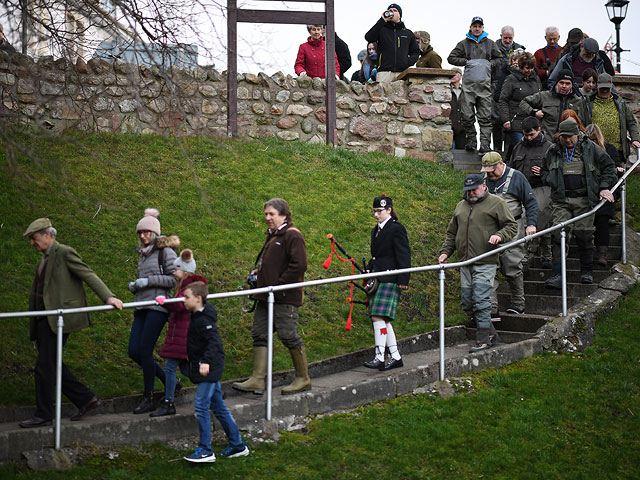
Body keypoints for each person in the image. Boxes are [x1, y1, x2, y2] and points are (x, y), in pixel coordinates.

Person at [20, 218, 123, 428]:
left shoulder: (64, 252)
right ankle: (86, 399)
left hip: (58, 319)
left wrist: (108, 297)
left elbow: (88, 274)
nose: (32, 243)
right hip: (43, 320)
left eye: (34, 238)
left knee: (43, 367)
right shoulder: (44, 258)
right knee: (53, 364)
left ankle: (44, 414)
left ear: (48, 235)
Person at [232, 198, 310, 396]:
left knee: (288, 335)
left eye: (271, 214)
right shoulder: (274, 235)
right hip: (266, 296)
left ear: (283, 215)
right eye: (266, 214)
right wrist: (258, 275)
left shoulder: (292, 235)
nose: (267, 218)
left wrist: (278, 286)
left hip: (283, 297)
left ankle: (303, 378)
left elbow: (299, 266)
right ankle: (257, 379)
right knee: (259, 333)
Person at [439, 174, 518, 352]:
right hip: (465, 262)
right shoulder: (460, 206)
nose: (471, 193)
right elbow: (452, 233)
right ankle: (490, 333)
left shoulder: (497, 203)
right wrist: (445, 252)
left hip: (486, 261)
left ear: (483, 186)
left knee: (481, 300)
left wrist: (499, 236)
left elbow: (511, 226)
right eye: (467, 191)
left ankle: (483, 339)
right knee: (468, 303)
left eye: (474, 189)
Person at [541, 119, 617, 288]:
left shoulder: (591, 148)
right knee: (559, 236)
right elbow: (544, 170)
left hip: (584, 199)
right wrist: (550, 179)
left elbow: (610, 167)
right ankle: (558, 275)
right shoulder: (553, 150)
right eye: (564, 137)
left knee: (584, 235)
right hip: (562, 200)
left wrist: (604, 187)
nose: (567, 140)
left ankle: (586, 271)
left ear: (577, 134)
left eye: (570, 137)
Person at [182, 282, 250, 463]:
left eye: (186, 297)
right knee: (219, 407)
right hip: (208, 369)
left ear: (198, 299)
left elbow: (214, 344)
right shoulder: (196, 315)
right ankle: (237, 445)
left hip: (209, 370)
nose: (183, 300)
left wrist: (205, 362)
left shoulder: (204, 321)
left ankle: (205, 449)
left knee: (201, 407)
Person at [127, 208, 178, 414]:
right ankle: (169, 381)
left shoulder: (166, 251)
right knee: (134, 351)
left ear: (155, 233)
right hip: (141, 307)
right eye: (140, 232)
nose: (142, 235)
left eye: (146, 232)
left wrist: (147, 282)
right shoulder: (142, 254)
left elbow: (174, 279)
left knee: (145, 351)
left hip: (158, 307)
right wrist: (136, 286)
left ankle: (147, 397)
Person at [150, 249, 208, 417]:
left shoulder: (189, 288)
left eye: (176, 269)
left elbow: (180, 305)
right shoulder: (184, 286)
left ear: (185, 270)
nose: (174, 272)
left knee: (169, 368)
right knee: (186, 370)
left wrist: (165, 302)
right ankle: (213, 389)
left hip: (183, 336)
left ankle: (169, 402)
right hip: (180, 335)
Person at [480, 152, 538, 317]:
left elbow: (531, 202)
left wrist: (531, 224)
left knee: (512, 266)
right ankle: (491, 307)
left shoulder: (516, 177)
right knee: (488, 267)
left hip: (512, 228)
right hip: (489, 230)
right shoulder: (483, 180)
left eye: (492, 170)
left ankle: (518, 303)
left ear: (501, 164)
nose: (489, 174)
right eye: (486, 171)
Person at [363, 195, 411, 371]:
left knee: (377, 316)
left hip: (391, 278)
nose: (376, 215)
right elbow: (378, 256)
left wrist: (404, 279)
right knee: (385, 320)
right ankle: (396, 356)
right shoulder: (376, 230)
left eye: (379, 211)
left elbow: (403, 254)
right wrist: (369, 269)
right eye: (374, 211)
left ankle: (379, 356)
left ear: (389, 210)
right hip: (379, 277)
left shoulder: (396, 229)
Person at [447, 16, 502, 153]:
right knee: (466, 115)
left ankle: (484, 145)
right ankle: (471, 141)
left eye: (479, 26)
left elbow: (500, 59)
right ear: (470, 27)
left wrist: (490, 64)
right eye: (475, 26)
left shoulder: (490, 43)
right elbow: (451, 58)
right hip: (468, 86)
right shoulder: (463, 44)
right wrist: (466, 62)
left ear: (483, 28)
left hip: (485, 85)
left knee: (485, 117)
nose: (477, 28)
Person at [510, 116, 554, 270]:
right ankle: (524, 257)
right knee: (522, 220)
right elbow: (511, 168)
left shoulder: (550, 148)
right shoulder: (518, 147)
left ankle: (542, 253)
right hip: (522, 189)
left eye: (532, 135)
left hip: (541, 187)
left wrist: (543, 172)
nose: (528, 138)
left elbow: (557, 172)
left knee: (539, 217)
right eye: (525, 135)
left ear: (539, 130)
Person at [577, 72, 640, 163]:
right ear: (597, 86)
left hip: (617, 151)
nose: (605, 91)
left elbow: (631, 122)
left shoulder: (620, 103)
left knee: (618, 175)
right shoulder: (586, 103)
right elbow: (580, 123)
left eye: (607, 88)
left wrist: (635, 139)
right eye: (602, 88)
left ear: (611, 87)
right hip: (595, 149)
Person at [585, 123, 624, 267]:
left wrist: (617, 169)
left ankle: (602, 254)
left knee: (602, 222)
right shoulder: (582, 151)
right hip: (588, 191)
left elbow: (615, 167)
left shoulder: (609, 149)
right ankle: (588, 255)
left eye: (594, 140)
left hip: (606, 190)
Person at [498, 52, 542, 159]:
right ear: (521, 66)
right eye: (527, 68)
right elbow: (503, 100)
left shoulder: (536, 79)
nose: (529, 70)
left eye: (532, 67)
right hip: (516, 119)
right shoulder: (511, 79)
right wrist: (505, 119)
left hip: (532, 118)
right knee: (520, 145)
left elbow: (540, 97)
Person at [364, 3, 420, 83]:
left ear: (400, 15)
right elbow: (369, 37)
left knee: (403, 95)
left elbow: (415, 51)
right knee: (382, 95)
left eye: (395, 10)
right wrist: (382, 20)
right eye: (390, 11)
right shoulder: (381, 29)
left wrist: (407, 62)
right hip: (384, 73)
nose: (392, 12)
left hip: (402, 72)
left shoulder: (408, 33)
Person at [519, 69, 580, 140]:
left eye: (567, 84)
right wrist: (534, 112)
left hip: (567, 141)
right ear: (557, 83)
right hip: (546, 141)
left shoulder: (578, 101)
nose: (564, 86)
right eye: (561, 83)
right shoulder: (545, 96)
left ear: (572, 85)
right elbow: (523, 103)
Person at [492, 26, 526, 152]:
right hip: (498, 88)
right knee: (496, 121)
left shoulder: (520, 48)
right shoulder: (494, 48)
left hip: (519, 109)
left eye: (510, 38)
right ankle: (496, 148)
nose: (507, 40)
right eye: (505, 37)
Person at [449, 68, 466, 149]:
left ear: (460, 76)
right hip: (449, 125)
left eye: (455, 74)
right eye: (451, 74)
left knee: (462, 152)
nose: (453, 76)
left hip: (463, 127)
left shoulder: (466, 90)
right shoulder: (446, 89)